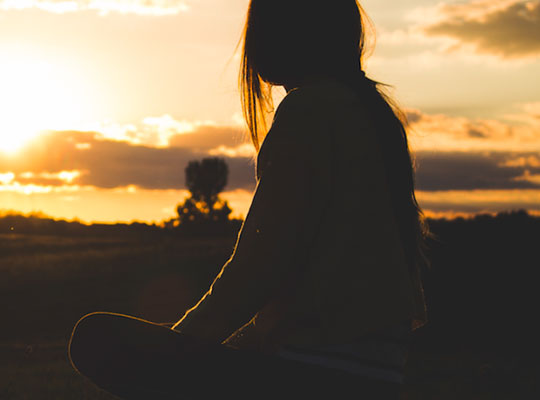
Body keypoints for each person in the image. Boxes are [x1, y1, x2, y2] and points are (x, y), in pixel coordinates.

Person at [67, 1, 429, 399]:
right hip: (373, 375)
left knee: (95, 337)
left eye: (265, 20)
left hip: (316, 375)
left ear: (296, 29)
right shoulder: (369, 113)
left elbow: (260, 264)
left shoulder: (312, 110)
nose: (253, 39)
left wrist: (178, 348)